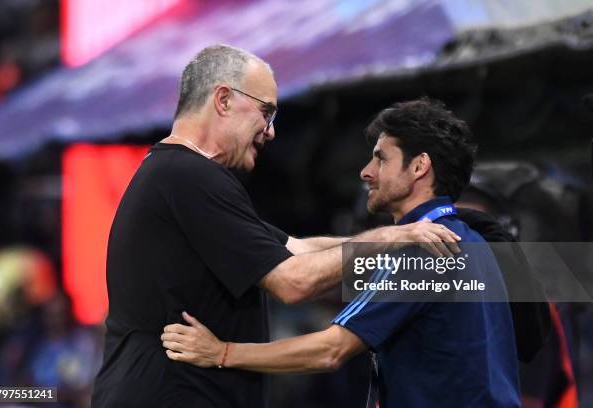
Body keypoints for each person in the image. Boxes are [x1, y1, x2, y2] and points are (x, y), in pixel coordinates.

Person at [91, 45, 460, 408]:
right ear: (223, 100)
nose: (270, 132)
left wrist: (400, 238)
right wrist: (394, 237)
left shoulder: (173, 174)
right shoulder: (189, 176)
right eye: (266, 112)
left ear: (420, 168)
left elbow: (297, 249)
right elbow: (295, 283)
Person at [161, 98, 521, 407]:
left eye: (381, 159)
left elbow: (330, 351)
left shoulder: (422, 251)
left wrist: (221, 352)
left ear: (418, 167)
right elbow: (302, 250)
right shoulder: (475, 242)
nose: (366, 172)